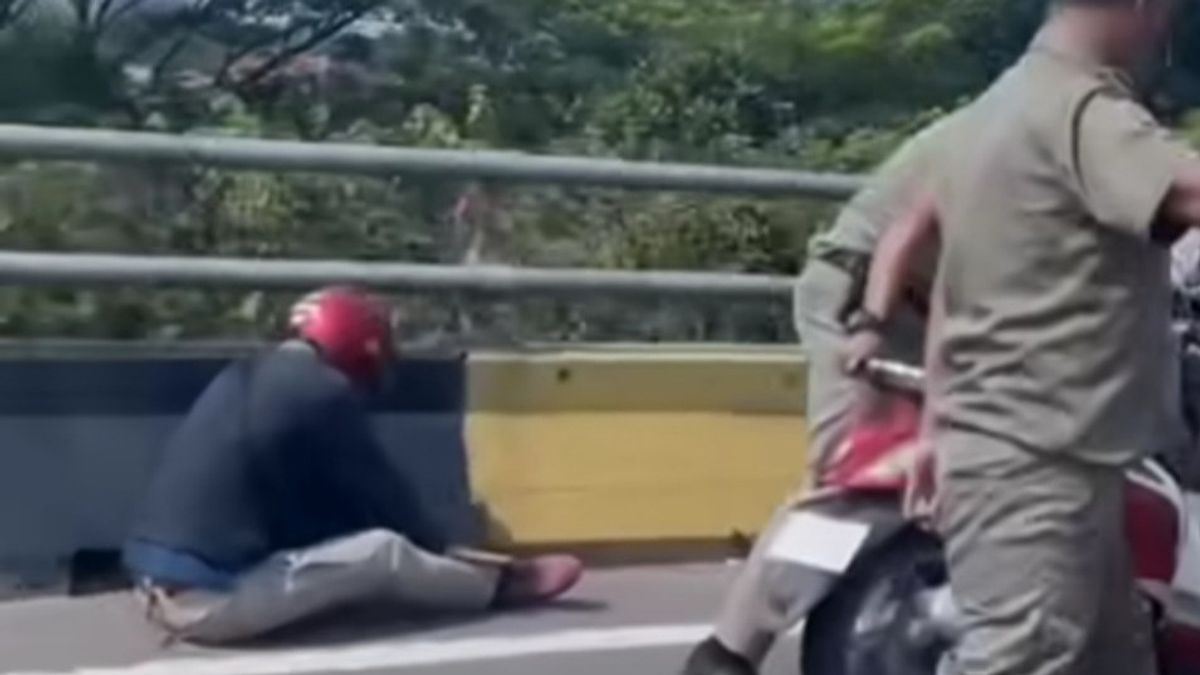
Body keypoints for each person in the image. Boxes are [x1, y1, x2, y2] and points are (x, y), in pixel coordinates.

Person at [920, 0, 1200, 672]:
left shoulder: (994, 108)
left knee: (1115, 657)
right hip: (1037, 460)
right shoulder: (1079, 109)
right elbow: (1187, 194)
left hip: (1044, 451)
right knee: (1020, 659)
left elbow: (948, 286)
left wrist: (936, 419)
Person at [123, 287, 584, 645]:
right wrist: (449, 551)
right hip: (207, 605)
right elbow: (387, 504)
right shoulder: (321, 391)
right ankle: (500, 588)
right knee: (383, 552)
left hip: (157, 585)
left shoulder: (255, 376)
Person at [681, 112, 961, 675]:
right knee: (860, 482)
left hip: (921, 304)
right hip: (868, 302)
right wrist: (875, 324)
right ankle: (728, 655)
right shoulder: (1032, 137)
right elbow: (929, 241)